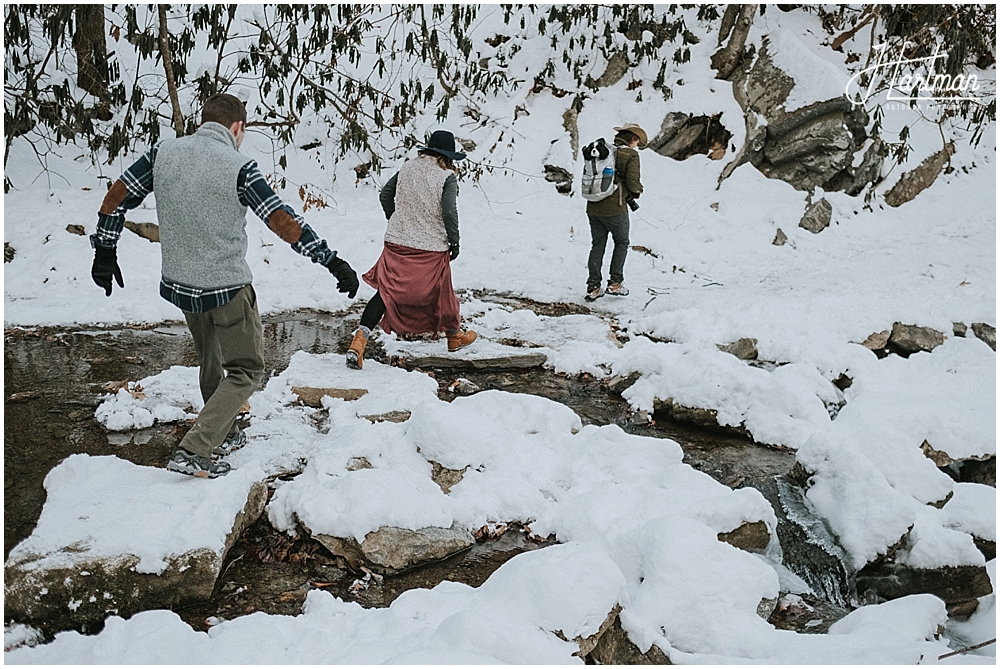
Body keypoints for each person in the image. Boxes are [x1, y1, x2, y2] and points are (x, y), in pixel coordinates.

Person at [90, 93, 358, 478]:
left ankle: (225, 430)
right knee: (247, 370)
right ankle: (195, 449)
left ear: (204, 121)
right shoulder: (239, 167)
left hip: (181, 284)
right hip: (227, 288)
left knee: (211, 359)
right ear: (237, 128)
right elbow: (282, 221)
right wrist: (331, 260)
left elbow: (116, 197)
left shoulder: (162, 153)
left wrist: (104, 250)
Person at [346, 130, 476, 369]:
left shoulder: (407, 167)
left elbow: (385, 195)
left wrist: (396, 221)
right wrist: (454, 241)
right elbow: (448, 212)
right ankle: (454, 336)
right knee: (442, 290)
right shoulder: (446, 176)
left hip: (396, 244)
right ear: (448, 157)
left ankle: (359, 340)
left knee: (386, 293)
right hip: (430, 248)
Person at [584, 123, 646, 302]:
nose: (636, 145)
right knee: (621, 242)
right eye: (637, 142)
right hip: (615, 209)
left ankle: (593, 287)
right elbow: (633, 183)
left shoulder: (601, 151)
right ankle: (615, 283)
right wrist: (637, 191)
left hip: (593, 206)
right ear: (633, 139)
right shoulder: (630, 154)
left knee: (597, 245)